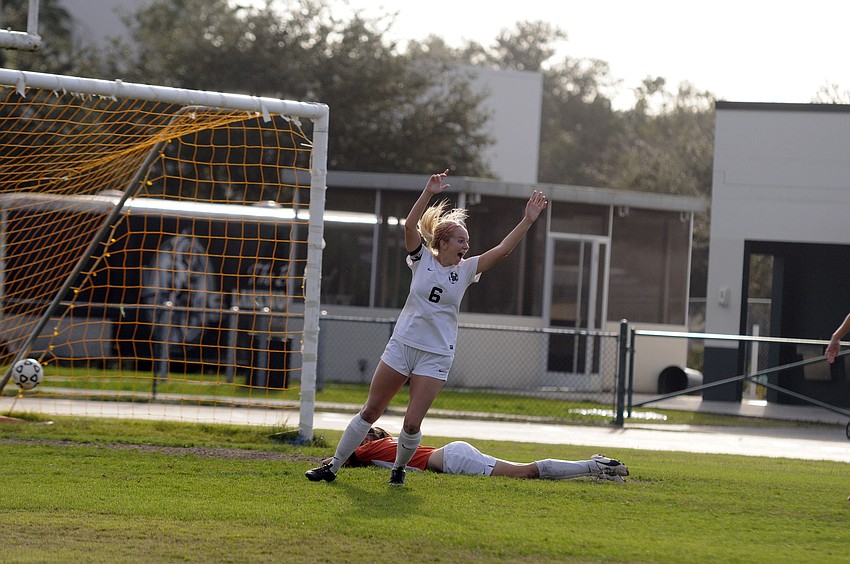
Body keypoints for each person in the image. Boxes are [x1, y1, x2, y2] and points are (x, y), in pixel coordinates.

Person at [306, 169, 548, 486]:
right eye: (461, 240)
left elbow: (503, 249)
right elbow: (409, 225)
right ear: (443, 242)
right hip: (403, 345)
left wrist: (528, 219)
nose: (466, 245)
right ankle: (333, 466)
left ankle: (399, 469)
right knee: (371, 411)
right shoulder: (422, 259)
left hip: (435, 355)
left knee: (411, 423)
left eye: (468, 241)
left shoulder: (466, 270)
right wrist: (428, 192)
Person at [320, 427, 630, 482]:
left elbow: (340, 460)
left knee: (525, 472)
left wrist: (334, 461)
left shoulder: (369, 448)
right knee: (523, 472)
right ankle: (596, 468)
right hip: (453, 455)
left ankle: (595, 465)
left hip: (454, 458)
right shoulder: (376, 450)